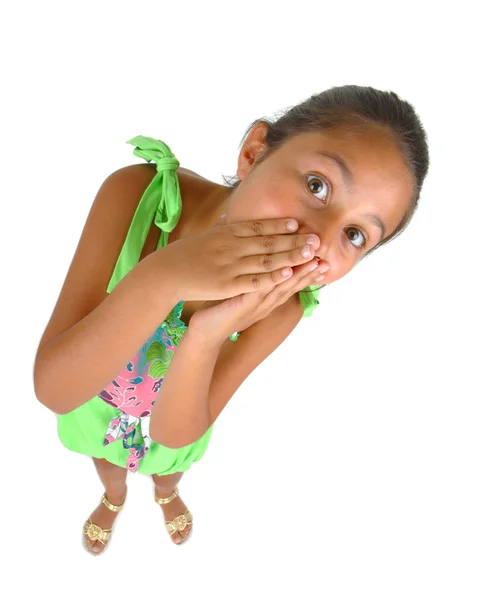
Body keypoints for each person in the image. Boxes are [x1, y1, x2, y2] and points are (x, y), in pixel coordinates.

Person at [33, 84, 430, 555]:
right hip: (93, 392)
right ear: (253, 153)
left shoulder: (281, 308)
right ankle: (113, 498)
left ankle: (166, 492)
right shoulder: (137, 193)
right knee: (107, 458)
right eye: (317, 186)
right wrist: (163, 277)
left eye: (354, 234)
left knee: (168, 464)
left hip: (178, 413)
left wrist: (208, 331)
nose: (318, 240)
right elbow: (54, 389)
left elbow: (173, 434)